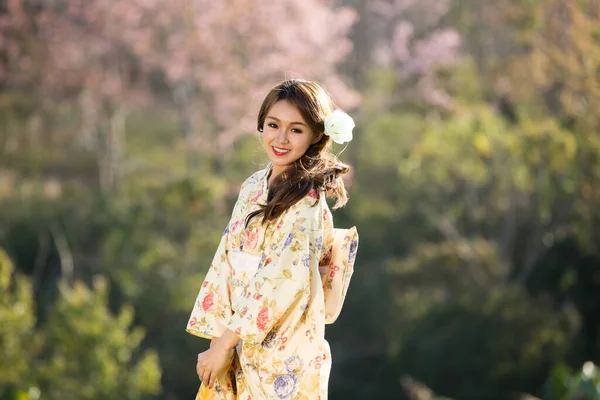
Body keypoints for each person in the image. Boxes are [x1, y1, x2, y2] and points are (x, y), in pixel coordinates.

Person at [186, 79, 359, 400]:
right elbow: (225, 259)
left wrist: (225, 342)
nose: (281, 138)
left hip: (285, 346)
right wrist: (218, 339)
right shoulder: (253, 185)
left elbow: (283, 278)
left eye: (296, 129)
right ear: (261, 126)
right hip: (238, 336)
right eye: (273, 125)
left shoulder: (306, 199)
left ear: (316, 135)